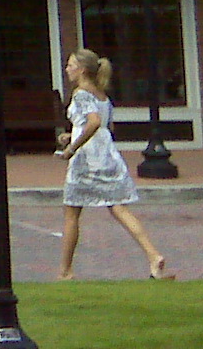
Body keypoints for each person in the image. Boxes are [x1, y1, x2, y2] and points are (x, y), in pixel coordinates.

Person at [56, 48, 173, 280]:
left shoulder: (80, 93)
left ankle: (65, 271)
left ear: (82, 70)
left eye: (70, 65)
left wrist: (71, 148)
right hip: (107, 156)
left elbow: (94, 123)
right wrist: (72, 134)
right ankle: (153, 256)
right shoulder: (102, 95)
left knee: (71, 213)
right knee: (119, 207)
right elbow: (104, 127)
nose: (67, 69)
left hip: (87, 160)